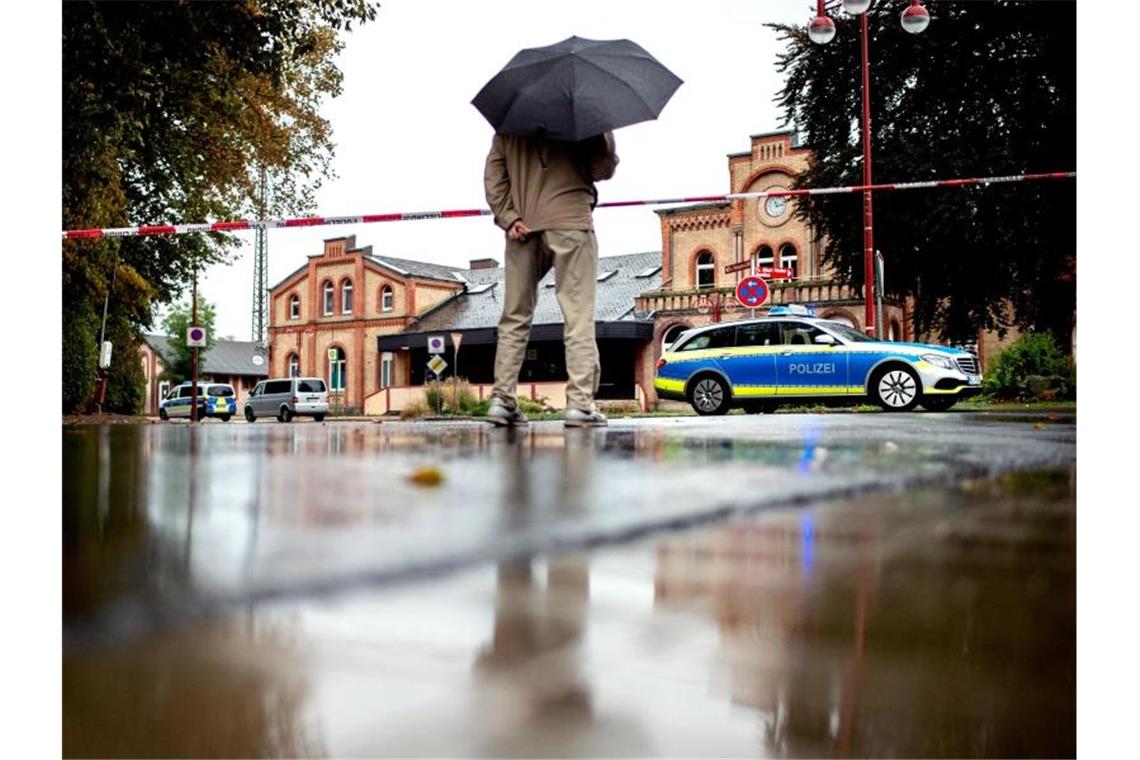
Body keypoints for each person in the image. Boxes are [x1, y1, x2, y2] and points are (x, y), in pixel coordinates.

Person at [483, 130, 618, 427]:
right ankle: (580, 405)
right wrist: (604, 135)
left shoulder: (508, 127)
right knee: (578, 314)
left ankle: (502, 401)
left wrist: (509, 217)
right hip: (571, 222)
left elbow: (494, 178)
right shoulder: (583, 118)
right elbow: (602, 169)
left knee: (514, 315)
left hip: (522, 228)